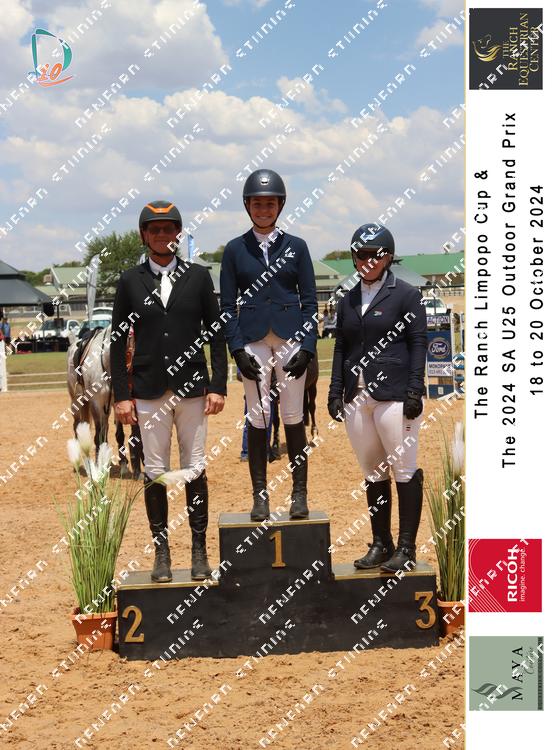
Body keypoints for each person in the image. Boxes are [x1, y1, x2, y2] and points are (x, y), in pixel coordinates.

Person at [110, 200, 227, 583]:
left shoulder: (198, 277)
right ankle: (161, 552)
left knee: (195, 468)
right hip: (148, 390)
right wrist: (121, 394)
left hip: (192, 388)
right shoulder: (130, 281)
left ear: (178, 234)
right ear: (144, 235)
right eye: (155, 229)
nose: (162, 235)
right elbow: (117, 342)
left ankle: (198, 550)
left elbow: (216, 333)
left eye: (168, 229)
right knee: (155, 472)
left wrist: (218, 385)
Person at [327, 224, 427, 573]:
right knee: (373, 472)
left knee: (404, 470)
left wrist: (414, 389)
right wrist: (334, 390)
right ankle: (381, 543)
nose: (367, 261)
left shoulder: (407, 295)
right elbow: (341, 346)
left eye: (375, 255)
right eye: (361, 254)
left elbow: (418, 343)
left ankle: (407, 548)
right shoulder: (348, 299)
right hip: (357, 396)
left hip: (395, 395)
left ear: (388, 257)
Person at [220, 169, 318, 521]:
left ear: (280, 206)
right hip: (253, 340)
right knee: (258, 416)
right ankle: (260, 495)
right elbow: (226, 306)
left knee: (293, 416)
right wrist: (236, 350)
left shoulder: (297, 247)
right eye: (258, 204)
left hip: (290, 337)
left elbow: (310, 301)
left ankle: (299, 494)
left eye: (270, 204)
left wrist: (307, 347)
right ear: (248, 206)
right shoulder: (235, 250)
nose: (264, 210)